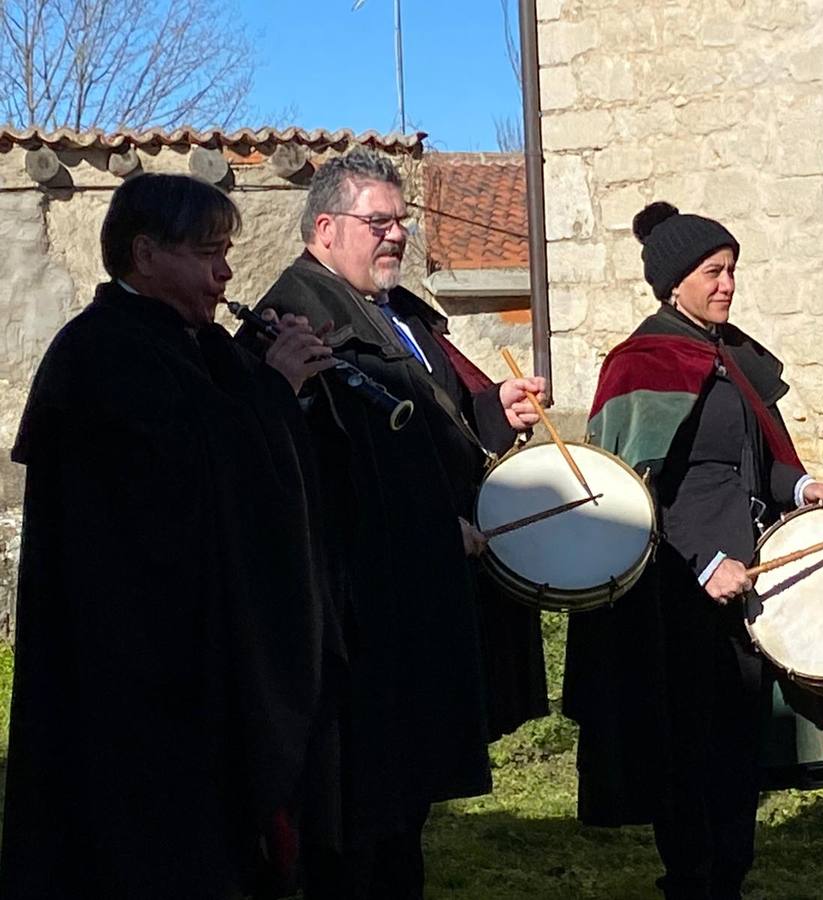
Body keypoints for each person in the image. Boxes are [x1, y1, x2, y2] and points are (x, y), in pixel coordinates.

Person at [0, 173, 336, 899]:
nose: (225, 274)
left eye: (226, 254)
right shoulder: (98, 353)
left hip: (199, 670)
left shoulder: (199, 344)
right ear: (145, 254)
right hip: (134, 675)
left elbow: (245, 461)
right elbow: (182, 490)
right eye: (208, 254)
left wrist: (279, 385)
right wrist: (273, 392)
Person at [243, 147, 549, 900]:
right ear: (325, 228)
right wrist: (431, 533)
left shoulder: (397, 313)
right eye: (378, 222)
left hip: (417, 604)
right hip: (361, 621)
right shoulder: (292, 325)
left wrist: (492, 413)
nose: (397, 236)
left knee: (402, 813)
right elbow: (318, 485)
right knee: (358, 818)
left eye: (401, 221)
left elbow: (427, 431)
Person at [563, 202, 823, 900]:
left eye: (731, 270)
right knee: (686, 750)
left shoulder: (730, 358)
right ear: (674, 284)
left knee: (737, 742)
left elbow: (758, 462)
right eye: (712, 272)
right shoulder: (640, 364)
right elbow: (632, 492)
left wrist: (803, 486)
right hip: (673, 590)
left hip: (747, 579)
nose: (727, 284)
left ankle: (728, 876)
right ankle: (693, 882)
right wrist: (701, 563)